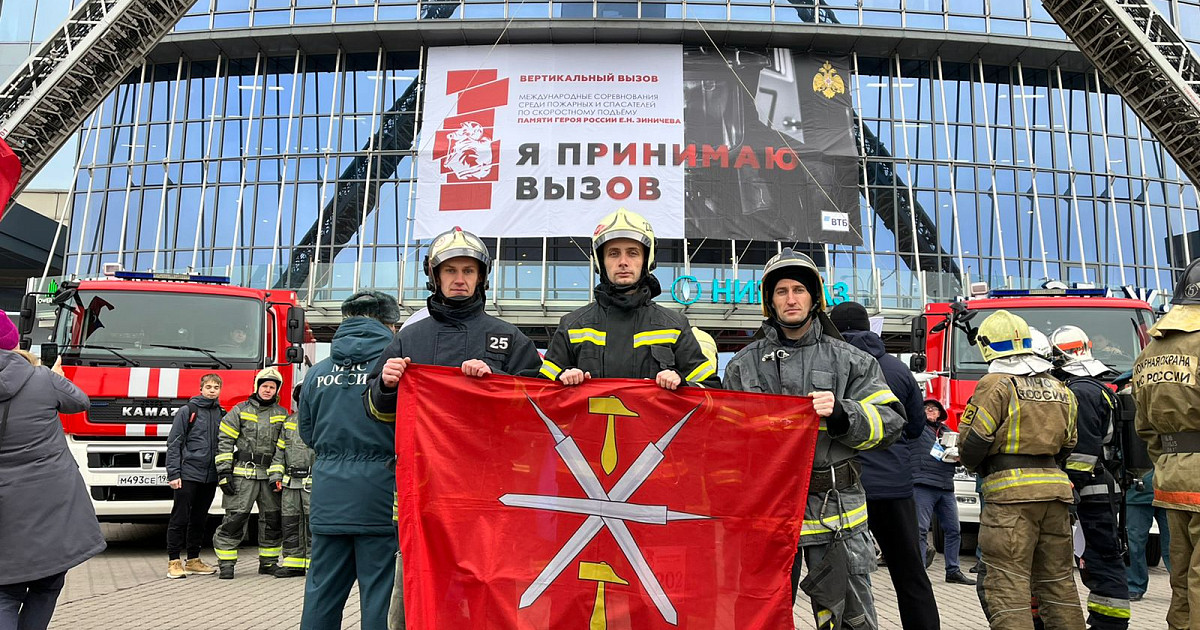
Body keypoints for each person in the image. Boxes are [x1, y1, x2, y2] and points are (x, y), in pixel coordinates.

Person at [366, 228, 542, 629]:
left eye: (467, 270)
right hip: (425, 496)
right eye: (450, 270)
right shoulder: (409, 338)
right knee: (416, 593)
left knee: (488, 594)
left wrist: (495, 381)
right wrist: (387, 385)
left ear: (481, 277)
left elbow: (537, 417)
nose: (459, 278)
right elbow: (376, 413)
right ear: (435, 276)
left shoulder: (509, 339)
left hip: (491, 498)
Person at [723, 248, 904, 630]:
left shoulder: (851, 360)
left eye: (799, 290)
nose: (791, 298)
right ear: (769, 301)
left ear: (814, 297)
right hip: (769, 515)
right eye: (781, 291)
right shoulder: (742, 365)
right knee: (760, 617)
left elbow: (891, 422)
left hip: (836, 512)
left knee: (848, 620)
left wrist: (843, 413)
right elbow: (727, 442)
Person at [957, 309, 1085, 629]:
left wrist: (977, 464)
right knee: (1059, 584)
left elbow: (974, 440)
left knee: (1007, 585)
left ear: (988, 345)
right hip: (1055, 494)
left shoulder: (995, 383)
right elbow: (1069, 443)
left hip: (1010, 497)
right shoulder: (1060, 387)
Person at [829, 301, 945, 628]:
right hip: (894, 487)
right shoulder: (897, 369)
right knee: (910, 573)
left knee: (844, 575)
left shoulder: (830, 365)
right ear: (870, 327)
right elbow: (913, 426)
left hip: (845, 487)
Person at [300, 291, 403, 630]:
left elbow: (308, 434)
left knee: (321, 593)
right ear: (389, 324)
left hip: (328, 498)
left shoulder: (317, 374)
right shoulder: (395, 371)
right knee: (380, 597)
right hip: (380, 497)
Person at [539, 208, 720, 390]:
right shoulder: (572, 326)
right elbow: (539, 393)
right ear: (600, 262)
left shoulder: (674, 326)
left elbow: (711, 391)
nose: (623, 262)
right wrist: (561, 379)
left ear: (647, 260)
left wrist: (682, 383)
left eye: (633, 253)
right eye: (613, 253)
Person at [0, 321, 106, 630]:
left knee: (5, 592)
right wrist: (54, 376)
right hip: (50, 499)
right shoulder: (42, 378)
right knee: (47, 583)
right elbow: (80, 402)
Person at [1132, 258, 1200, 630]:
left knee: (1182, 577)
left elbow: (1145, 429)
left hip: (1172, 477)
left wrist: (1171, 459)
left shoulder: (1148, 355)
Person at [1049, 325, 1130, 629]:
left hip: (1091, 488)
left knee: (1102, 560)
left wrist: (1071, 487)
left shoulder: (1081, 391)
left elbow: (1083, 453)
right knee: (1099, 558)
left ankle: (1107, 624)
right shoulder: (1094, 385)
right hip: (1100, 485)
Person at [211, 366, 288, 579]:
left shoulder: (282, 414)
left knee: (272, 521)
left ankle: (268, 562)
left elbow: (285, 447)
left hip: (270, 476)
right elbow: (225, 441)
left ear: (276, 390)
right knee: (235, 518)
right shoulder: (240, 410)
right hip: (243, 474)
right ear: (257, 387)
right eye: (265, 386)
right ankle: (226, 563)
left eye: (272, 387)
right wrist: (224, 472)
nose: (268, 390)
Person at [165, 373, 225, 579]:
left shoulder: (221, 413)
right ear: (201, 389)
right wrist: (174, 473)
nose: (212, 390)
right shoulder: (187, 411)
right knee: (179, 517)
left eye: (216, 387)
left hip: (210, 476)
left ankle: (192, 560)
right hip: (188, 474)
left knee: (200, 519)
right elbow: (174, 443)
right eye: (208, 386)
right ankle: (174, 561)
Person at [913, 399, 974, 585]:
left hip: (946, 486)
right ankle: (919, 573)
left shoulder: (948, 433)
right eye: (926, 408)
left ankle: (953, 571)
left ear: (940, 413)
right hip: (922, 484)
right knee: (921, 530)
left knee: (954, 530)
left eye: (934, 409)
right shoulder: (915, 429)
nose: (931, 411)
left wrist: (958, 457)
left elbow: (960, 457)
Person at [269, 383, 314, 579]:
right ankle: (292, 562)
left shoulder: (321, 420)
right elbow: (280, 453)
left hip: (313, 483)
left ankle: (315, 563)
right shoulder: (289, 422)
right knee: (290, 523)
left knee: (313, 525)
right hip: (290, 484)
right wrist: (276, 477)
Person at [1125, 469, 1171, 602]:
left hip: (1170, 492)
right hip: (1137, 492)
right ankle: (1134, 586)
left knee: (1174, 546)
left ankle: (1183, 588)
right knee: (1133, 543)